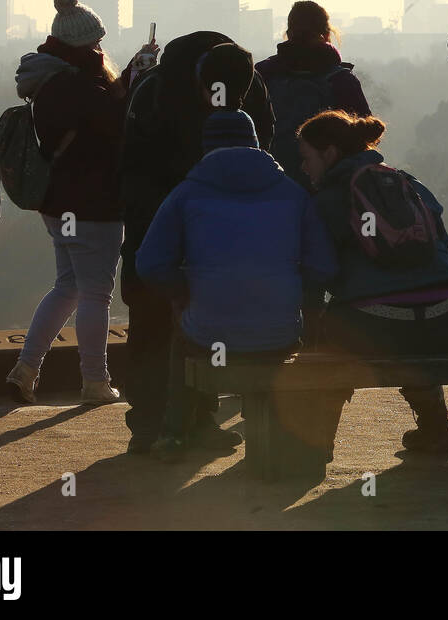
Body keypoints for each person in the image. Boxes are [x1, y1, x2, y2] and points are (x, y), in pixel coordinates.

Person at [135, 109, 338, 461]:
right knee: (253, 335)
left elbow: (149, 264)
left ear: (206, 148)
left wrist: (182, 291)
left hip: (207, 336)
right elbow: (323, 266)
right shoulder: (293, 193)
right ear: (257, 143)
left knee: (183, 335)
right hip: (279, 336)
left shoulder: (186, 194)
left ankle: (175, 434)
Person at [119, 32, 276, 454]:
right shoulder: (247, 87)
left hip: (152, 231)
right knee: (199, 329)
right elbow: (264, 150)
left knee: (157, 330)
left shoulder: (153, 90)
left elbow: (130, 162)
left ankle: (153, 425)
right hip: (205, 235)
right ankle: (184, 422)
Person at [297, 110, 448, 465]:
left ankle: (316, 445)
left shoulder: (329, 199)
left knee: (333, 340)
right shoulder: (407, 182)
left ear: (329, 153)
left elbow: (318, 273)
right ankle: (436, 430)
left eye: (307, 158)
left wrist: (311, 323)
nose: (304, 168)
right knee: (412, 329)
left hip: (377, 326)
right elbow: (443, 247)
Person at [5, 0, 154, 405]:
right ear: (85, 43)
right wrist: (137, 79)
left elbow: (100, 110)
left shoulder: (52, 79)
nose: (100, 48)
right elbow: (114, 123)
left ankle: (26, 368)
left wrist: (128, 73)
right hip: (93, 204)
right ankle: (94, 381)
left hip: (58, 203)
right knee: (95, 293)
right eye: (96, 42)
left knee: (67, 287)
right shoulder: (79, 82)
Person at [256, 1, 372, 186]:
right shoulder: (342, 81)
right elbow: (365, 138)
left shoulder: (262, 74)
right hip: (330, 188)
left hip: (269, 184)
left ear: (288, 34)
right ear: (327, 35)